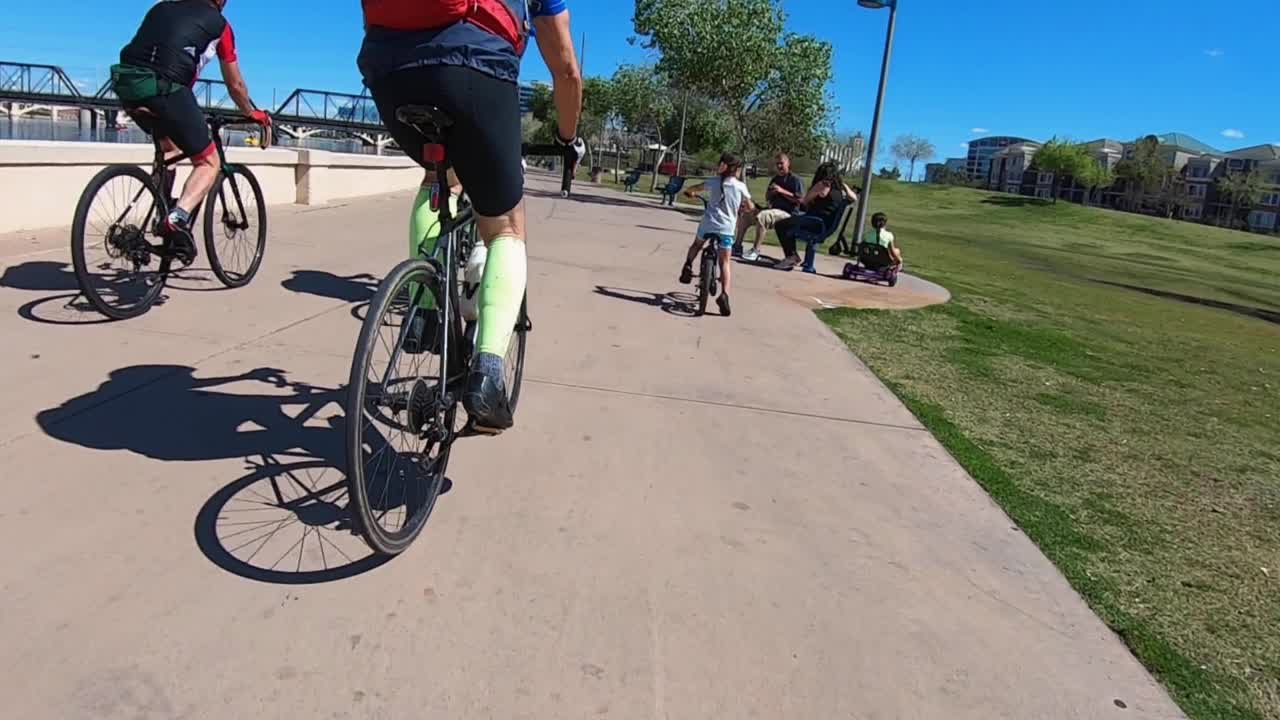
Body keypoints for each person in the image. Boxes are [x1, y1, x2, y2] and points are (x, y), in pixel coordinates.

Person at [358, 0, 585, 433]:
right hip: (473, 69)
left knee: (437, 180)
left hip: (389, 73)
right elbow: (567, 71)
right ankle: (487, 374)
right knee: (506, 226)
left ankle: (422, 314)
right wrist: (566, 137)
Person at [112, 0, 272, 266]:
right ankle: (176, 218)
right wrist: (250, 111)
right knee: (209, 162)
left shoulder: (161, 7)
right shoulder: (221, 26)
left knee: (170, 150)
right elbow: (235, 84)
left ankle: (159, 211)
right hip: (166, 89)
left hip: (129, 85)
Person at [678, 153, 755, 317]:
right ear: (737, 170)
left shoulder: (713, 182)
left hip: (708, 224)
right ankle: (724, 295)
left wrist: (690, 193)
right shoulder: (740, 186)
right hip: (727, 228)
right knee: (725, 262)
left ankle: (688, 265)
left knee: (697, 244)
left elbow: (692, 189)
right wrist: (743, 208)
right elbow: (750, 206)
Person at [772, 163, 859, 271]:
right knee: (791, 221)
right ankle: (801, 261)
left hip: (815, 223)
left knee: (781, 225)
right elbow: (854, 198)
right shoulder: (840, 190)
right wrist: (844, 185)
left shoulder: (822, 184)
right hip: (827, 226)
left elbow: (804, 201)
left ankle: (791, 256)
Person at [733, 152, 803, 261]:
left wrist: (781, 191)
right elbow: (767, 197)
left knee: (763, 216)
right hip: (772, 210)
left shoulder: (795, 179)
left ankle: (755, 251)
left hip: (787, 213)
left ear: (788, 163)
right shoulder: (775, 179)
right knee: (746, 215)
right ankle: (737, 247)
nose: (779, 166)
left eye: (781, 163)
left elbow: (800, 200)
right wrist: (772, 193)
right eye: (777, 164)